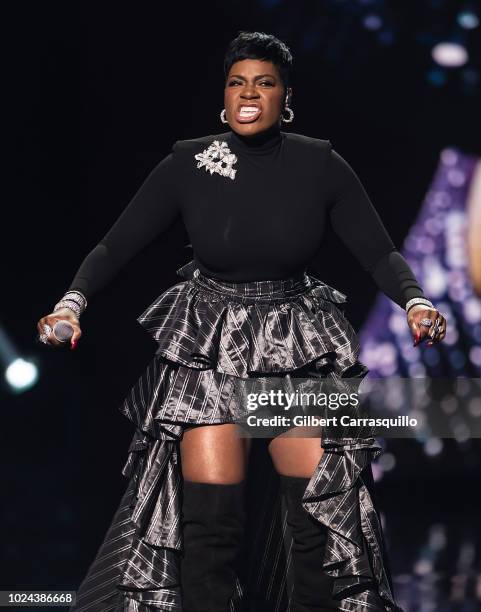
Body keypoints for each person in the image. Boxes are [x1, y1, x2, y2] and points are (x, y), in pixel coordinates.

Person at [37, 31, 447, 612]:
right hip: (209, 343)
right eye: (237, 83)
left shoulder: (319, 163)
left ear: (285, 97)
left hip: (295, 343)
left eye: (264, 82)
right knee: (210, 528)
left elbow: (379, 253)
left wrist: (415, 301)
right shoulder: (189, 162)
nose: (248, 93)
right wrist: (71, 302)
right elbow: (114, 246)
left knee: (319, 523)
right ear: (224, 97)